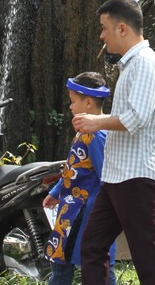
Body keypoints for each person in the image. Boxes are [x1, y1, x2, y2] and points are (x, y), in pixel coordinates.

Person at [73, 0, 155, 285]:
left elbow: (137, 117)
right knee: (91, 245)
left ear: (123, 29)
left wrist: (96, 122)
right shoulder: (132, 64)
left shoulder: (144, 63)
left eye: (104, 28)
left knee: (146, 255)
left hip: (135, 176)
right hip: (117, 176)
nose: (101, 36)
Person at [43, 72, 117, 285]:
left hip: (84, 213)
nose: (70, 107)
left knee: (93, 263)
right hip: (71, 210)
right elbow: (73, 169)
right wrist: (56, 192)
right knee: (62, 262)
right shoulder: (84, 132)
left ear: (89, 103)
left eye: (73, 101)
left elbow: (106, 176)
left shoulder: (97, 136)